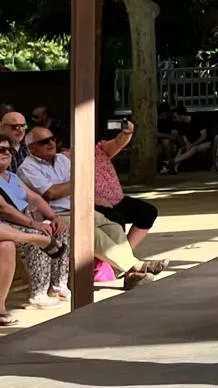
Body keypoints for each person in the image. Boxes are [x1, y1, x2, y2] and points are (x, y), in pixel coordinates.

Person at [18, 127, 165, 289]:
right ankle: (137, 266)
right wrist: (79, 180)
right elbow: (51, 192)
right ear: (31, 148)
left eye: (52, 139)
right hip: (56, 214)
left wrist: (79, 186)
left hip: (80, 208)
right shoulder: (27, 167)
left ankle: (130, 272)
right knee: (92, 232)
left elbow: (81, 185)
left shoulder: (63, 160)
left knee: (113, 226)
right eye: (44, 141)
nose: (50, 143)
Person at [0, 137, 69, 311]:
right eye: (1, 150)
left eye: (9, 150)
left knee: (60, 230)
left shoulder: (12, 176)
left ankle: (58, 285)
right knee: (39, 237)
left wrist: (53, 217)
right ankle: (38, 294)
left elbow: (35, 197)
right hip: (8, 224)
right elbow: (4, 209)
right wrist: (33, 224)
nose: (6, 153)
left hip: (25, 220)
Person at [93, 121, 160, 250]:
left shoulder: (99, 149)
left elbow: (118, 143)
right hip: (97, 205)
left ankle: (126, 256)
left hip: (117, 200)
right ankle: (120, 260)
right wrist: (93, 200)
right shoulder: (66, 157)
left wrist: (127, 132)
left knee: (147, 212)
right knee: (116, 221)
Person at [169, 106, 211, 172]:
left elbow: (204, 136)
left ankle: (172, 162)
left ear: (182, 116)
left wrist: (192, 145)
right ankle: (174, 168)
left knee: (194, 148)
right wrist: (187, 146)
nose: (175, 119)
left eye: (175, 117)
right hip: (193, 144)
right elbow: (186, 140)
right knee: (181, 149)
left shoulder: (197, 119)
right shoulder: (181, 125)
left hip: (206, 143)